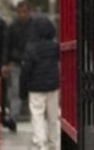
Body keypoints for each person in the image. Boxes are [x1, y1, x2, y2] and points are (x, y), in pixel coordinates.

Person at [20, 15, 60, 150]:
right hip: (52, 86)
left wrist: (22, 91)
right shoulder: (54, 46)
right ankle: (54, 143)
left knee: (37, 115)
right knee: (53, 117)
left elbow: (26, 70)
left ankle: (40, 142)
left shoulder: (30, 48)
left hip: (36, 87)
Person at [3, 1, 32, 123]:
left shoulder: (35, 26)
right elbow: (7, 45)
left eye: (24, 12)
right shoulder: (12, 27)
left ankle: (33, 116)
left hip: (32, 63)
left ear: (29, 12)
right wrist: (6, 63)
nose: (22, 15)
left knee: (33, 92)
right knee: (16, 91)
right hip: (17, 63)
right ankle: (13, 117)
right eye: (20, 12)